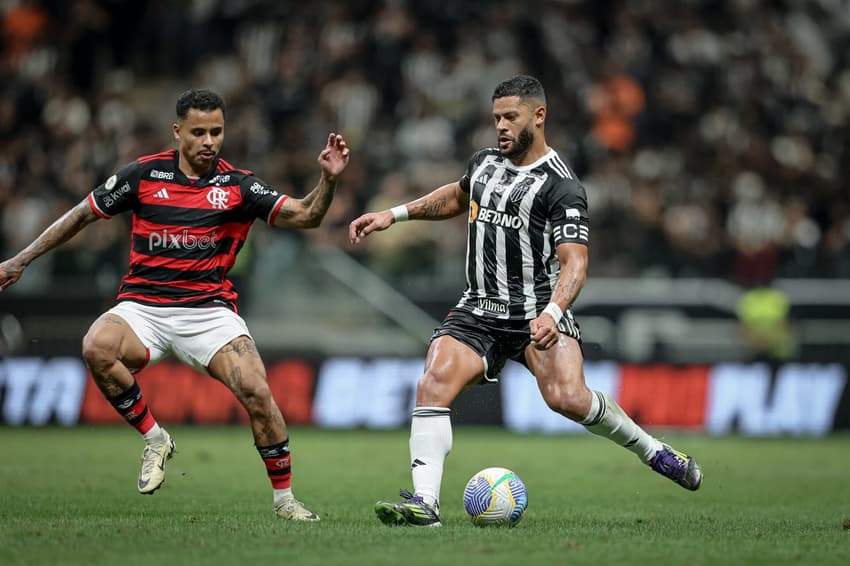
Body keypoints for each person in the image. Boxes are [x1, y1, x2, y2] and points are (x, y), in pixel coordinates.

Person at [349, 75, 701, 528]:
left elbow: (575, 263)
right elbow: (457, 196)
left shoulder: (562, 186)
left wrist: (554, 312)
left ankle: (654, 451)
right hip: (479, 308)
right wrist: (392, 215)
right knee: (433, 382)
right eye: (496, 117)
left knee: (568, 399)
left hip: (538, 312)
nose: (501, 126)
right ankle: (426, 505)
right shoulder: (484, 163)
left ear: (539, 116)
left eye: (510, 117)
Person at [0, 89, 350, 521]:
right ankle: (155, 439)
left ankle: (285, 502)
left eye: (217, 132)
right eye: (199, 131)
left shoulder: (238, 185)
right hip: (142, 307)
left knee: (259, 392)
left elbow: (306, 216)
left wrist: (328, 180)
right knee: (96, 346)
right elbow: (81, 215)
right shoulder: (144, 175)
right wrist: (21, 260)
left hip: (208, 311)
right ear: (178, 131)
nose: (209, 141)